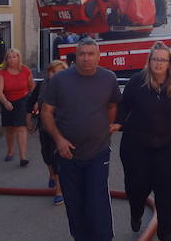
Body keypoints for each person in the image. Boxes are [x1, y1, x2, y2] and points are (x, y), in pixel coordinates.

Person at [111, 42, 171, 240]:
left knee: (168, 192)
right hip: (136, 146)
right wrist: (118, 123)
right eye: (155, 59)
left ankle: (167, 231)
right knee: (136, 187)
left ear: (169, 63)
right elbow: (124, 107)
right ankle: (136, 211)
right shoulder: (137, 82)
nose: (158, 63)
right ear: (149, 61)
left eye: (163, 60)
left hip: (168, 146)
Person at [41, 38, 121, 241]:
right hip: (68, 154)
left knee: (97, 201)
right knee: (74, 203)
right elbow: (46, 112)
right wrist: (59, 140)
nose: (86, 58)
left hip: (98, 152)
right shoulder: (60, 80)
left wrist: (105, 129)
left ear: (98, 56)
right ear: (75, 57)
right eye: (82, 54)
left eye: (90, 54)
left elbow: (112, 107)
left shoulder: (108, 78)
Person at [26, 60, 67, 206]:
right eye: (52, 71)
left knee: (58, 159)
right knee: (46, 155)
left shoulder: (69, 87)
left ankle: (59, 191)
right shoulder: (42, 85)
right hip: (45, 127)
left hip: (62, 128)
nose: (55, 75)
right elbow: (30, 101)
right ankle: (51, 174)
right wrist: (29, 118)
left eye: (59, 72)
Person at [0, 48, 35, 166]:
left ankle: (23, 157)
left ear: (19, 58)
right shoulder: (2, 72)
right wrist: (5, 102)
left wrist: (32, 103)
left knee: (21, 127)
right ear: (6, 59)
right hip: (7, 100)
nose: (12, 59)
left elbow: (32, 87)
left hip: (22, 100)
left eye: (14, 57)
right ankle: (10, 151)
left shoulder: (25, 70)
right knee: (9, 128)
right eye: (9, 57)